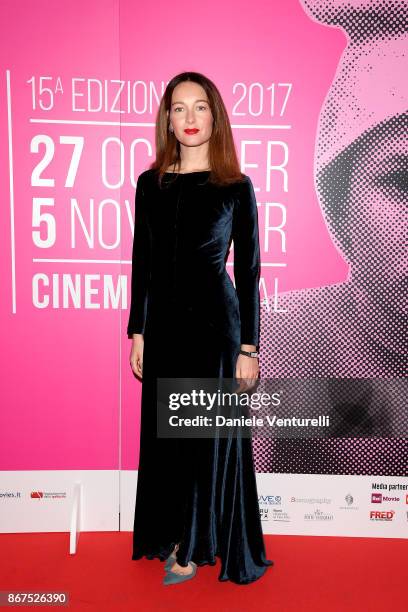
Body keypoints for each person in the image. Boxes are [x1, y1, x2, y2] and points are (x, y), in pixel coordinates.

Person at [127, 71, 273, 585]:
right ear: (167, 118)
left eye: (200, 107)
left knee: (203, 437)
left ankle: (198, 543)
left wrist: (250, 347)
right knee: (166, 439)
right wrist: (137, 332)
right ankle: (170, 530)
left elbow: (250, 271)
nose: (189, 118)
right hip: (163, 329)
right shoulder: (150, 184)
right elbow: (141, 262)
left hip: (216, 329)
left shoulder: (235, 186)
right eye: (179, 108)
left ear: (216, 116)